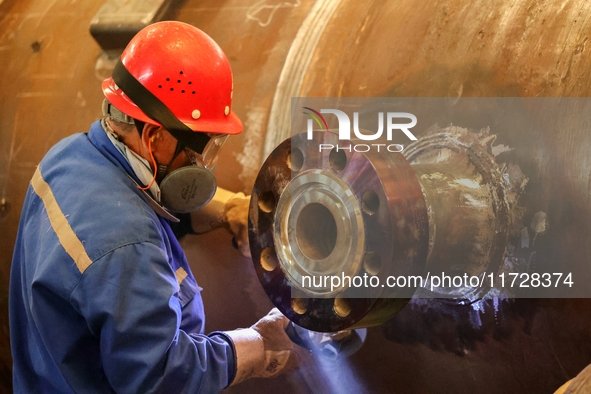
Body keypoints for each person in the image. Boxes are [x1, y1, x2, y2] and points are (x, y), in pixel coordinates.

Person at [9, 21, 307, 393]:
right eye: (204, 148)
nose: (203, 163)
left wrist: (228, 209)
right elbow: (162, 377)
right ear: (155, 136)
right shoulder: (126, 245)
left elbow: (129, 202)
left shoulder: (68, 157)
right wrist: (258, 346)